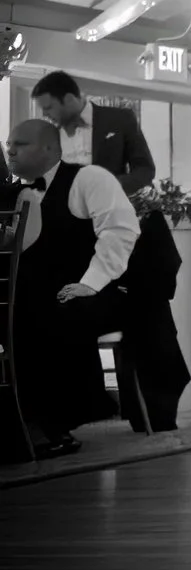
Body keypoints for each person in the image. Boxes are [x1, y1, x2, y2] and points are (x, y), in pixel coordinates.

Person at [5, 117, 139, 458]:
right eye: (8, 145)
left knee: (47, 312)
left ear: (50, 148)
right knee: (21, 310)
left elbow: (120, 231)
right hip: (35, 293)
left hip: (97, 289)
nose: (10, 150)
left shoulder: (89, 178)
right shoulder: (14, 192)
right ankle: (19, 421)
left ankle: (52, 423)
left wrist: (88, 284)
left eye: (20, 144)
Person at [31, 73, 155, 196]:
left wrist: (111, 186)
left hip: (109, 205)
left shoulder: (120, 119)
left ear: (69, 99)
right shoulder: (50, 136)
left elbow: (145, 170)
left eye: (48, 108)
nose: (44, 114)